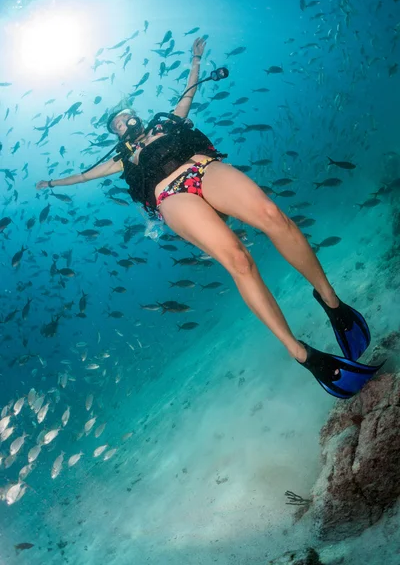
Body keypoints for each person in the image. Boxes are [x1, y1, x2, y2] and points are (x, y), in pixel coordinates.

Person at [36, 37, 381, 399]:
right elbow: (84, 175)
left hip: (202, 168)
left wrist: (196, 60)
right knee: (238, 259)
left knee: (272, 214)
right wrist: (51, 182)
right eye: (116, 124)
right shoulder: (121, 158)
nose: (124, 121)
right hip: (170, 196)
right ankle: (300, 352)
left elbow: (187, 94)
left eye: (125, 115)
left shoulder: (166, 124)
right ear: (115, 133)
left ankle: (331, 301)